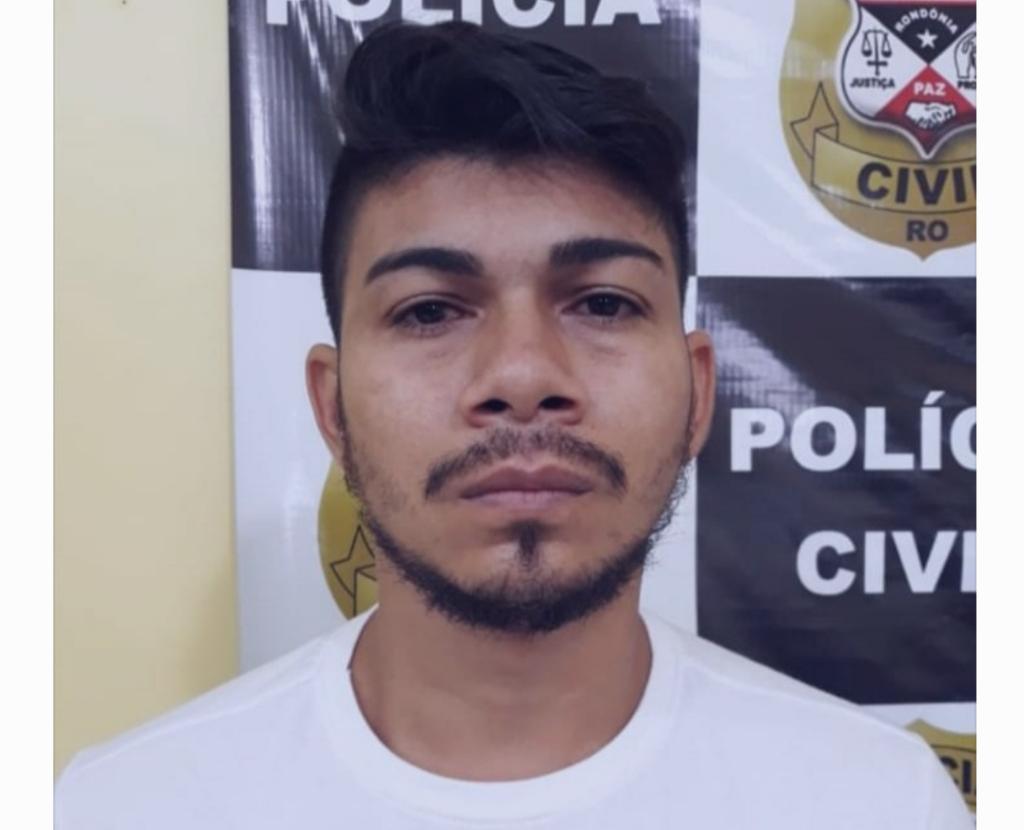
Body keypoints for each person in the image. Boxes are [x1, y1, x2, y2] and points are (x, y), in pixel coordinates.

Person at [56, 21, 973, 829]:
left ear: (699, 392)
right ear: (332, 406)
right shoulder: (121, 808)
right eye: (429, 311)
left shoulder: (877, 803)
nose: (524, 375)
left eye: (603, 303)